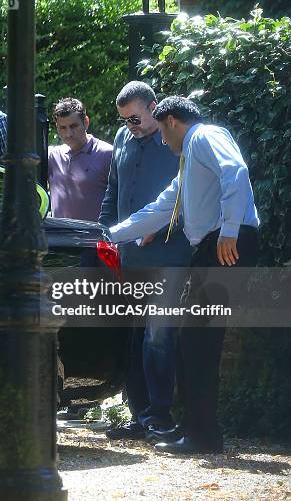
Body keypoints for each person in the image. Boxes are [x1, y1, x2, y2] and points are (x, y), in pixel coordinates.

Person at [109, 96, 260, 454]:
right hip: (214, 244)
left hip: (225, 243)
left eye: (162, 131)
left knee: (198, 343)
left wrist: (229, 230)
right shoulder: (189, 158)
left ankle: (203, 437)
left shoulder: (205, 135)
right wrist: (111, 234)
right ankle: (198, 432)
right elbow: (162, 207)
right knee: (191, 343)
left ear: (172, 121)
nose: (162, 140)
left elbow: (236, 171)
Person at [99, 82, 191, 441]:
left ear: (154, 108)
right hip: (129, 255)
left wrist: (161, 226)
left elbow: (192, 196)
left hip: (167, 253)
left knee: (159, 334)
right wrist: (104, 233)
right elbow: (113, 190)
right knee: (136, 333)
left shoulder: (177, 143)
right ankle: (140, 414)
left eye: (135, 118)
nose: (130, 126)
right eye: (123, 120)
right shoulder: (124, 139)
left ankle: (161, 415)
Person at [48, 97, 112, 221]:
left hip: (94, 237)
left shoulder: (107, 154)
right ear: (57, 127)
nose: (69, 134)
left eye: (73, 126)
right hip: (60, 237)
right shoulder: (52, 156)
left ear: (86, 122)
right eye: (63, 127)